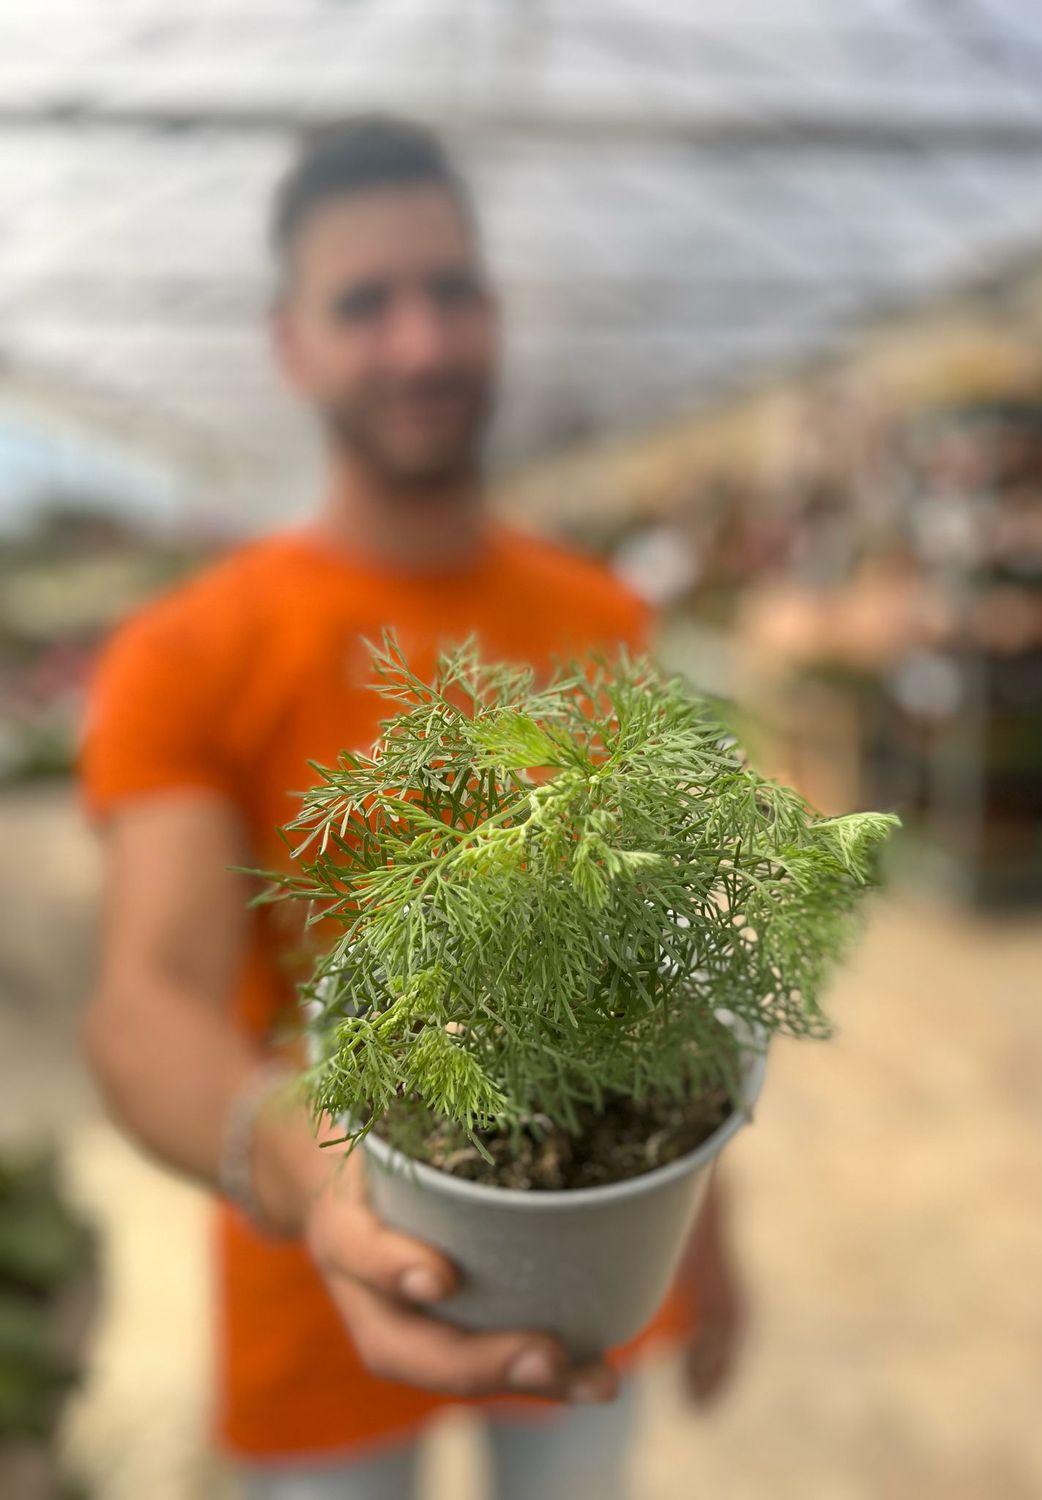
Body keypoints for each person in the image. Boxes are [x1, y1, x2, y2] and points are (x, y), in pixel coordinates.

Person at [81, 116, 745, 1499]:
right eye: (364, 303)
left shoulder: (600, 619)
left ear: (494, 313)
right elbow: (148, 999)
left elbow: (665, 988)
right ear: (289, 345)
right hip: (321, 1273)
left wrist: (711, 1242)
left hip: (600, 1252)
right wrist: (303, 1163)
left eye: (450, 291)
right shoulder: (189, 653)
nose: (421, 343)